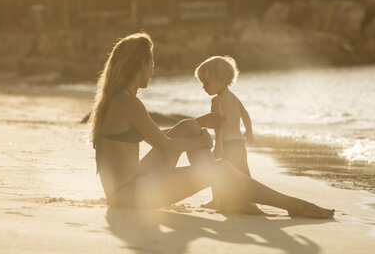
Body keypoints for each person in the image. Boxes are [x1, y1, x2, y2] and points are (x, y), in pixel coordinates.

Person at [89, 32, 334, 218]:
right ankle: (293, 205)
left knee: (187, 126)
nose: (153, 69)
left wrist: (200, 124)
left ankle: (229, 198)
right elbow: (166, 146)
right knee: (221, 168)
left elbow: (156, 137)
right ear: (140, 65)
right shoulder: (127, 103)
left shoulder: (122, 99)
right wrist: (203, 140)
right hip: (130, 194)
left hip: (129, 185)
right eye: (151, 63)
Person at [194, 56, 260, 212]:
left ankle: (217, 200)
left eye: (207, 82)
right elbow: (245, 115)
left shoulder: (217, 101)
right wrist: (249, 131)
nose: (203, 87)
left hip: (226, 144)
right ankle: (250, 200)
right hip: (239, 143)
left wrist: (218, 144)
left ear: (222, 80)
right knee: (243, 172)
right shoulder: (234, 97)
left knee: (217, 172)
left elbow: (219, 124)